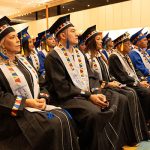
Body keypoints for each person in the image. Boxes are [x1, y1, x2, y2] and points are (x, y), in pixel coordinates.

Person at [45, 14, 129, 150]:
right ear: (62, 36)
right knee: (94, 112)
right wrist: (89, 96)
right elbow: (62, 88)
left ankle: (110, 144)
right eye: (72, 31)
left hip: (85, 94)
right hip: (67, 98)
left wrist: (96, 92)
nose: (77, 34)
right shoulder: (53, 57)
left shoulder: (79, 53)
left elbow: (92, 77)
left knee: (118, 98)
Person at [0, 16, 79, 150]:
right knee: (53, 123)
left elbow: (41, 82)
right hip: (13, 113)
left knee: (65, 116)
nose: (18, 40)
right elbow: (1, 98)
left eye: (16, 36)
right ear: (2, 43)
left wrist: (43, 97)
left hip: (33, 106)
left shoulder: (23, 61)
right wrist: (27, 103)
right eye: (12, 37)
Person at [83, 25, 149, 146]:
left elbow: (109, 74)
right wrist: (109, 83)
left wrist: (113, 81)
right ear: (91, 41)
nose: (101, 41)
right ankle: (125, 137)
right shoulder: (87, 57)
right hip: (98, 88)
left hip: (107, 85)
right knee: (127, 95)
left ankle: (137, 132)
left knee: (130, 92)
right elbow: (91, 79)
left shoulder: (99, 56)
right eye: (98, 39)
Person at [109, 32, 150, 124]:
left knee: (147, 87)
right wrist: (139, 83)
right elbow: (122, 77)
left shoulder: (126, 56)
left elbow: (135, 70)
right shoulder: (114, 57)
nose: (130, 46)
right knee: (146, 93)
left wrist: (142, 79)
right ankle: (145, 121)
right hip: (124, 84)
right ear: (120, 45)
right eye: (127, 44)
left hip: (133, 81)